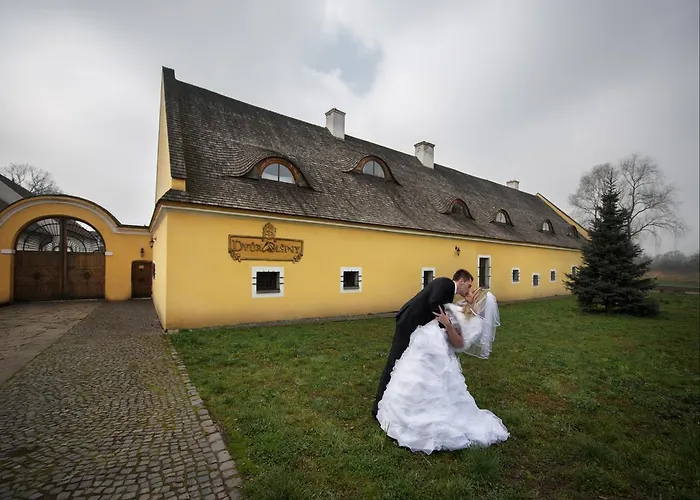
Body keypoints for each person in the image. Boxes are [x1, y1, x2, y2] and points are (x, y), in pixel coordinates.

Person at [375, 287, 509, 454]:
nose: (471, 293)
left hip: (437, 353)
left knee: (427, 384)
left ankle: (422, 422)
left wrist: (447, 324)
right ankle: (400, 416)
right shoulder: (464, 307)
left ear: (480, 302)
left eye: (475, 294)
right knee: (412, 378)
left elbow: (460, 344)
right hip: (424, 342)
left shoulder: (477, 322)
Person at [371, 269, 474, 418]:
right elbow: (434, 303)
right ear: (461, 281)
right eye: (469, 286)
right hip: (409, 322)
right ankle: (379, 406)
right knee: (396, 360)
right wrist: (445, 326)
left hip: (414, 323)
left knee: (402, 361)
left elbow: (444, 308)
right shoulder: (445, 283)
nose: (469, 289)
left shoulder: (447, 288)